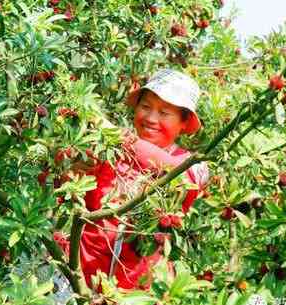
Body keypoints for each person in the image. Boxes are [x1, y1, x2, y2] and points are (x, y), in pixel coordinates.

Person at [54, 69, 209, 291]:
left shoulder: (193, 165)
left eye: (164, 112)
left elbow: (179, 176)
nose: (151, 118)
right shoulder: (107, 150)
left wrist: (116, 137)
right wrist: (72, 169)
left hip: (135, 291)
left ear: (184, 122)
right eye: (145, 107)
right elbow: (72, 198)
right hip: (78, 280)